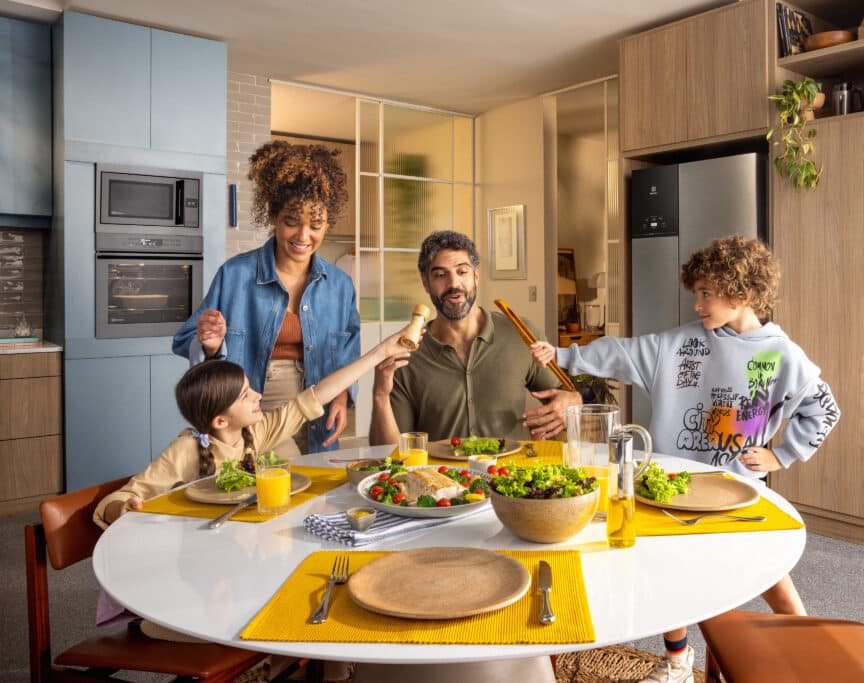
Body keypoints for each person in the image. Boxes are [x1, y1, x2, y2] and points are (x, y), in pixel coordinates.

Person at [530, 235, 841, 683]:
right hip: (665, 487)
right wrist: (564, 354)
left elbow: (823, 409)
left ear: (743, 295)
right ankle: (677, 661)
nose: (697, 304)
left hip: (735, 491)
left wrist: (780, 454)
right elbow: (622, 352)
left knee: (772, 575)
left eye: (706, 293)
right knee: (665, 574)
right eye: (696, 293)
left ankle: (815, 652)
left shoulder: (780, 355)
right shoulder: (679, 345)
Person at [94, 330, 410, 529]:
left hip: (244, 538)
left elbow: (317, 395)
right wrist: (122, 508)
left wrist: (380, 352)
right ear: (220, 421)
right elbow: (118, 499)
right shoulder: (186, 450)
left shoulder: (256, 432)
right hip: (197, 553)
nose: (258, 395)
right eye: (246, 395)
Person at [173, 140, 359, 457]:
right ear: (274, 216)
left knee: (313, 489)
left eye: (315, 225)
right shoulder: (235, 275)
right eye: (291, 222)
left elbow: (347, 351)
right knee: (267, 489)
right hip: (254, 405)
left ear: (327, 223)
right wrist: (211, 343)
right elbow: (187, 338)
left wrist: (340, 397)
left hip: (317, 402)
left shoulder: (340, 284)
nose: (303, 236)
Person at [369, 230, 582, 446]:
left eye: (462, 272)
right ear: (425, 282)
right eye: (440, 275)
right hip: (441, 477)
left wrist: (573, 401)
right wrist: (379, 395)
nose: (454, 284)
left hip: (511, 474)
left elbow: (563, 394)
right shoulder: (407, 356)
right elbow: (388, 452)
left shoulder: (522, 334)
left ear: (476, 276)